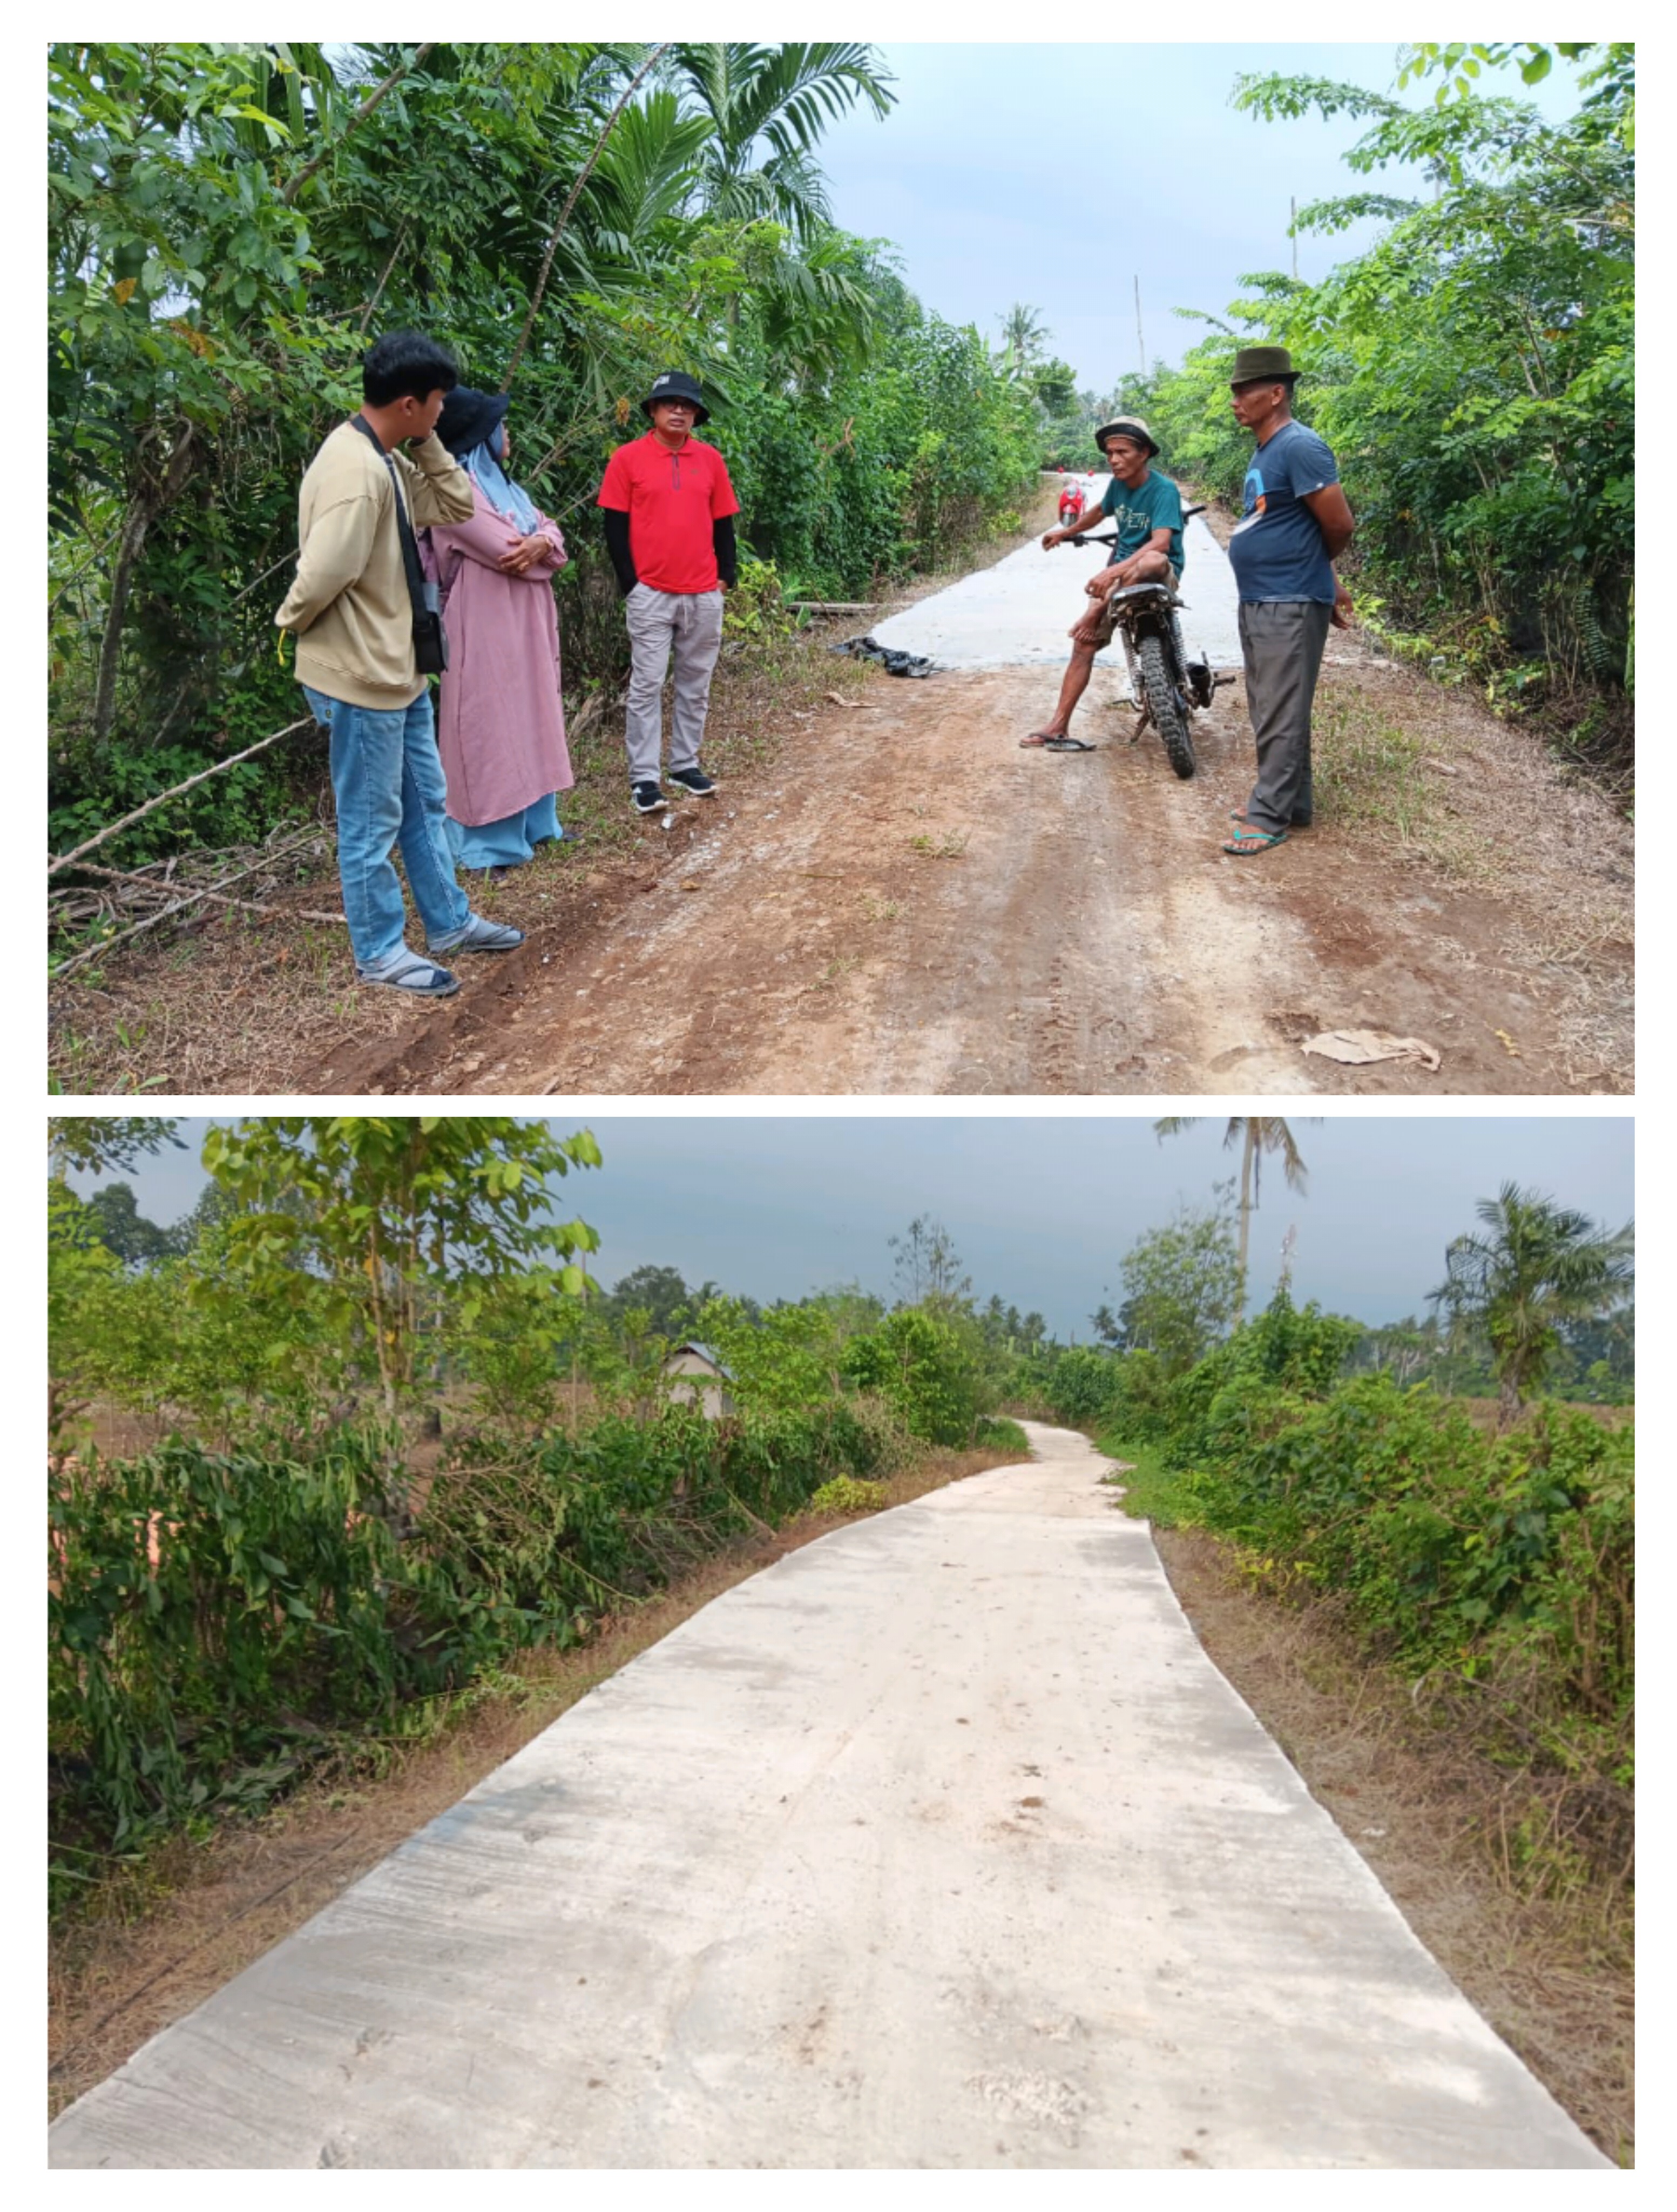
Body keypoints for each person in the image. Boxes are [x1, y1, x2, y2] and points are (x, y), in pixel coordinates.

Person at [275, 330, 524, 995]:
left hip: (400, 667)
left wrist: (424, 443)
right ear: (410, 402)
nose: (445, 413)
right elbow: (323, 573)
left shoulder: (383, 454)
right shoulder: (356, 473)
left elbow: (453, 505)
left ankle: (448, 921)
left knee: (424, 802)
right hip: (361, 674)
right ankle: (381, 949)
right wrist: (292, 627)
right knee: (370, 820)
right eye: (438, 403)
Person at [421, 385, 575, 874]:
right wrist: (542, 546)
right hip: (483, 622)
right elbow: (509, 552)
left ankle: (537, 826)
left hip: (525, 619)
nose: (506, 433)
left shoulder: (505, 488)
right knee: (491, 721)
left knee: (533, 711)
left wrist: (543, 542)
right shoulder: (454, 491)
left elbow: (550, 534)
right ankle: (488, 845)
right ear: (479, 436)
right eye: (499, 426)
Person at [1220, 344, 1355, 857]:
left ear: (1276, 394)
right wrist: (1330, 577)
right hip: (1261, 596)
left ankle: (1269, 815)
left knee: (1279, 705)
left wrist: (1318, 576)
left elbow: (1338, 524)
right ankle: (1292, 803)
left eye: (1244, 391)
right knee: (1271, 703)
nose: (1235, 401)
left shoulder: (1301, 447)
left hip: (1290, 599)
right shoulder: (1264, 451)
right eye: (1233, 391)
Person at [596, 370, 740, 814]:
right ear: (654, 411)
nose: (679, 411)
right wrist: (631, 586)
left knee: (696, 684)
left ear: (696, 414)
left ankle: (684, 764)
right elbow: (614, 528)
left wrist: (725, 577)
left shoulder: (710, 460)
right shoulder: (627, 459)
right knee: (647, 685)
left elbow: (724, 524)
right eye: (670, 403)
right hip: (651, 593)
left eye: (688, 405)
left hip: (702, 591)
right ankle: (644, 777)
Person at [1020, 416, 1185, 751]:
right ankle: (1059, 725)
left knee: (1150, 561)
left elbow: (1161, 543)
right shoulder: (1118, 487)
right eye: (1110, 453)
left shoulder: (1164, 490)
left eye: (1122, 452)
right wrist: (1065, 532)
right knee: (1083, 646)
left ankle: (1097, 609)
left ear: (1144, 453)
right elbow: (1098, 512)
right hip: (1120, 580)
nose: (1114, 460)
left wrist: (1111, 573)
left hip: (1156, 573)